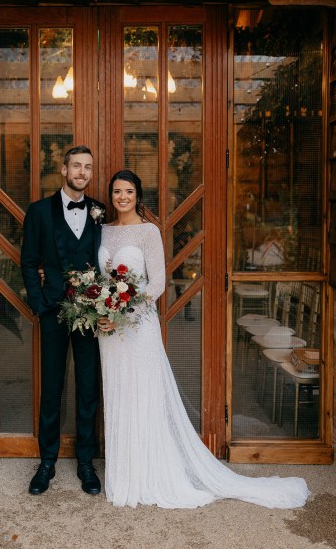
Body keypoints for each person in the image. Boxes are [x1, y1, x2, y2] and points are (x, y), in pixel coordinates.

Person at [96, 169, 310, 509]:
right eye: (117, 191)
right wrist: (100, 312)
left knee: (144, 393)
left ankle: (149, 471)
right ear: (111, 195)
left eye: (129, 191)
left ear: (138, 195)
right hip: (107, 331)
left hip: (137, 327)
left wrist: (124, 313)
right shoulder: (103, 231)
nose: (122, 197)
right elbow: (98, 280)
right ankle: (124, 472)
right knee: (118, 391)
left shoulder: (148, 232)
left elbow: (157, 284)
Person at [21, 145, 105, 496]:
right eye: (76, 166)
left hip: (89, 314)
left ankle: (86, 462)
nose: (82, 172)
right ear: (63, 169)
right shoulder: (39, 211)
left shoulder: (100, 211)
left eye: (87, 167)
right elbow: (27, 262)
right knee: (51, 388)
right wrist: (40, 305)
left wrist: (105, 302)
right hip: (53, 312)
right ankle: (47, 462)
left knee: (88, 388)